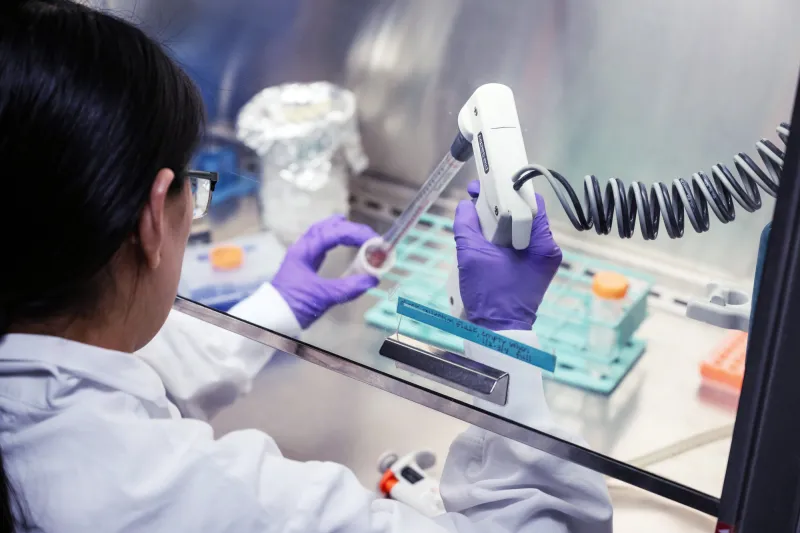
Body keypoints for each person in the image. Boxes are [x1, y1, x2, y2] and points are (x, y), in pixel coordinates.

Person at [0, 1, 612, 532]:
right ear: (155, 216)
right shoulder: (208, 501)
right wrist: (505, 340)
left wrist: (277, 307)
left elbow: (110, 370)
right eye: (193, 185)